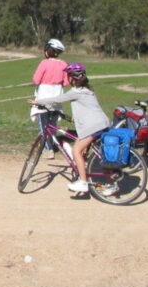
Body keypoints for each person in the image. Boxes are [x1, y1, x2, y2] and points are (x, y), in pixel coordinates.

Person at [31, 62, 111, 194]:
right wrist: (71, 118)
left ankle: (83, 183)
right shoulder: (88, 90)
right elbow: (87, 108)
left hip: (93, 126)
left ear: (72, 78)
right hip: (101, 123)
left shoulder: (76, 92)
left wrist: (38, 101)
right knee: (93, 155)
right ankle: (104, 183)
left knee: (76, 151)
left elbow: (58, 98)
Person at [32, 38, 69, 159]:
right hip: (57, 96)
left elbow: (36, 80)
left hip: (44, 96)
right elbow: (67, 82)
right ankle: (49, 144)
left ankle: (48, 149)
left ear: (48, 51)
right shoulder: (63, 64)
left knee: (44, 123)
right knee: (53, 123)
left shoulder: (44, 63)